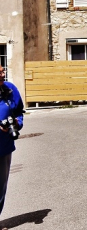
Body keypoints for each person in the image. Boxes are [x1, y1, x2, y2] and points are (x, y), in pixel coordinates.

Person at [0, 65, 23, 217]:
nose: (3, 74)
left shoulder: (10, 89)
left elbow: (19, 111)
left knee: (0, 187)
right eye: (0, 72)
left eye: (3, 70)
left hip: (4, 148)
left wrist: (16, 123)